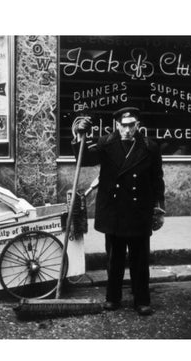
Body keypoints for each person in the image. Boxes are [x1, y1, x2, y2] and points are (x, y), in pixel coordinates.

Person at [72, 107, 166, 316]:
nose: (127, 129)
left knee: (139, 259)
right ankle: (112, 297)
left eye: (132, 125)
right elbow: (85, 159)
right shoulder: (106, 142)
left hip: (139, 210)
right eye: (123, 125)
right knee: (114, 258)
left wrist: (159, 207)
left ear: (138, 125)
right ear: (117, 125)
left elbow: (157, 179)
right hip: (114, 210)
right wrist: (80, 135)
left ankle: (142, 300)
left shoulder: (150, 146)